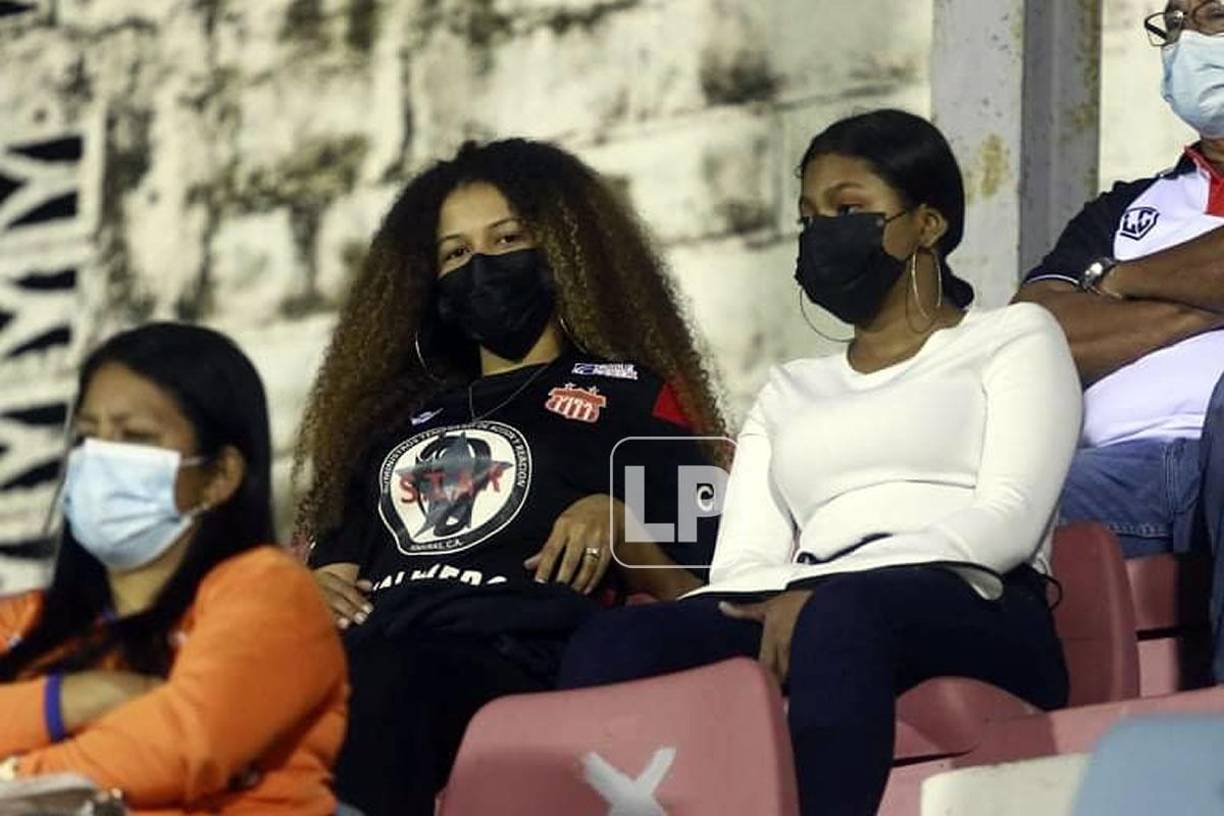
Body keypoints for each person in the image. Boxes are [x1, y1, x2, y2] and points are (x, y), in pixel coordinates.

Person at [557, 110, 1081, 816]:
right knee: (618, 642)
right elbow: (742, 564)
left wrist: (831, 589)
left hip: (979, 601)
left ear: (926, 225)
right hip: (810, 597)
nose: (822, 234)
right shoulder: (790, 388)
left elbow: (1009, 520)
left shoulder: (1014, 337)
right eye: (809, 218)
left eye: (849, 209)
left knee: (840, 615)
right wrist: (792, 597)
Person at [294, 138, 726, 815]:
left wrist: (623, 527)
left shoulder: (636, 396)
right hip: (374, 652)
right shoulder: (389, 427)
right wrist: (307, 592)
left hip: (514, 655)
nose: (483, 266)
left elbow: (708, 603)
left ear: (564, 252)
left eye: (507, 239)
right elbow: (333, 573)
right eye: (456, 253)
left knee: (391, 682)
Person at [0, 323, 346, 814]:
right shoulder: (26, 621)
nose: (100, 459)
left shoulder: (269, 591)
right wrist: (69, 698)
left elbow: (183, 746)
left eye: (135, 437)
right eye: (86, 437)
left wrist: (16, 777)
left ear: (219, 477)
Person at [1015, 0, 1224, 681]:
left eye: (1213, 17)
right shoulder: (1121, 211)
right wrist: (1202, 300)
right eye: (1173, 25)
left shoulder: (1113, 258)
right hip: (1118, 475)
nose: (1185, 42)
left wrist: (1117, 283)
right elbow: (1037, 337)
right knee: (964, 510)